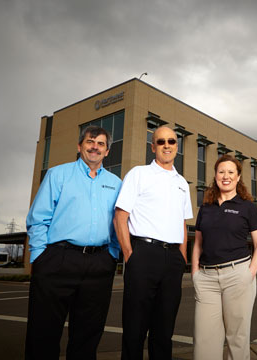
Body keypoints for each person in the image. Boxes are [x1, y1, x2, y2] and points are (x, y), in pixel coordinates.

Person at [25, 125, 121, 360]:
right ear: (80, 146)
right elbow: (38, 219)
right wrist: (40, 256)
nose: (95, 147)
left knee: (88, 336)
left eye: (100, 144)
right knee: (43, 333)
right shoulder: (58, 174)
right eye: (90, 141)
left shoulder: (116, 183)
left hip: (99, 263)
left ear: (107, 151)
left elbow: (120, 222)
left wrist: (112, 255)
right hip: (58, 259)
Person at [114, 126, 193, 360]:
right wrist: (130, 255)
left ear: (177, 147)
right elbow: (120, 216)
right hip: (143, 255)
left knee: (164, 329)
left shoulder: (182, 183)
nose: (166, 145)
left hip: (172, 260)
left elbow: (182, 224)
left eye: (171, 141)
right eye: (161, 142)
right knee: (134, 328)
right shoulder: (138, 174)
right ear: (153, 146)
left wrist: (182, 258)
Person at [191, 154, 257, 360]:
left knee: (237, 339)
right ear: (215, 176)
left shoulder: (248, 207)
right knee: (204, 340)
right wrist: (195, 273)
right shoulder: (206, 207)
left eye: (231, 172)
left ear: (238, 176)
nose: (226, 176)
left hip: (237, 275)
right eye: (221, 171)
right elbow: (197, 243)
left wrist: (249, 275)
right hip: (206, 279)